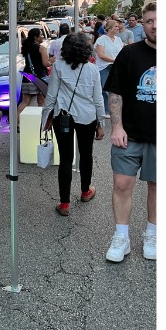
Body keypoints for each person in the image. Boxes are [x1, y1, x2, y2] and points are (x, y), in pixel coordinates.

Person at [103, 0, 157, 262]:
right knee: (122, 184)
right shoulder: (129, 53)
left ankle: (152, 234)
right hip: (129, 133)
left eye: (158, 21)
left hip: (159, 136)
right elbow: (116, 92)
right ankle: (121, 237)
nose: (154, 26)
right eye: (149, 21)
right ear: (143, 24)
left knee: (156, 186)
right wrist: (116, 126)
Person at [43, 32, 107, 216]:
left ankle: (64, 203)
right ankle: (85, 191)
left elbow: (52, 95)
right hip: (87, 117)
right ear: (86, 49)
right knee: (86, 154)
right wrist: (101, 123)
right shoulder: (93, 69)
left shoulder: (58, 67)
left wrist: (45, 118)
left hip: (63, 115)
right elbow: (98, 100)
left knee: (65, 159)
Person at [94, 18, 125, 113]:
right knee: (105, 89)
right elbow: (101, 55)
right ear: (110, 28)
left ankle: (117, 109)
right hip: (104, 67)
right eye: (115, 26)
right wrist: (115, 60)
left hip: (116, 67)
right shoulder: (101, 39)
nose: (118, 28)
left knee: (117, 89)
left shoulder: (118, 40)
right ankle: (106, 110)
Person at [22, 26, 50, 106]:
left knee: (25, 101)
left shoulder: (26, 47)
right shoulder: (41, 48)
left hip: (27, 76)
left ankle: (17, 118)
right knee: (41, 101)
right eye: (40, 35)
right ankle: (41, 118)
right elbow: (45, 64)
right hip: (39, 77)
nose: (42, 37)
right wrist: (51, 61)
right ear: (35, 37)